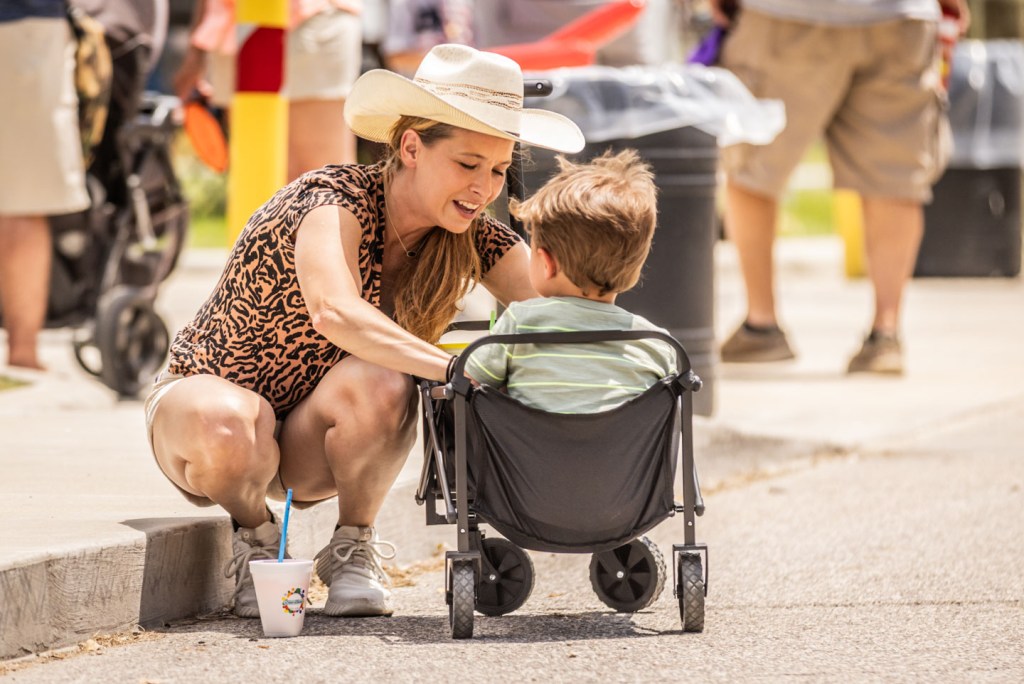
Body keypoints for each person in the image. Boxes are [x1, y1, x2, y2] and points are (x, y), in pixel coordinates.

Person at [145, 44, 584, 618]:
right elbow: (335, 311)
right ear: (411, 148)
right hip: (207, 420)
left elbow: (569, 316)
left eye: (498, 170)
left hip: (306, 444)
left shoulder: (474, 236)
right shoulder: (331, 198)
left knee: (387, 380)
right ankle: (257, 540)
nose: (484, 187)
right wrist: (455, 368)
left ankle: (352, 548)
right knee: (232, 420)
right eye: (468, 164)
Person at [711, 0, 970, 374]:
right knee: (893, 176)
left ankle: (761, 325)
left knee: (752, 160)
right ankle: (885, 335)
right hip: (901, 16)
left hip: (788, 14)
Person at [465, 150, 677, 413]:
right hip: (626, 442)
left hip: (528, 441)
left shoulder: (520, 323)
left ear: (547, 263)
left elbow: (470, 382)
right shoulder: (656, 344)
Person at [174, 0, 364, 178]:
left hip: (308, 17)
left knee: (323, 177)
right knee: (257, 177)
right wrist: (196, 50)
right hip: (232, 25)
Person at [0, 0, 91, 370]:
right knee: (22, 201)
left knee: (20, 201)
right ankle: (23, 352)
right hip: (21, 27)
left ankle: (23, 352)